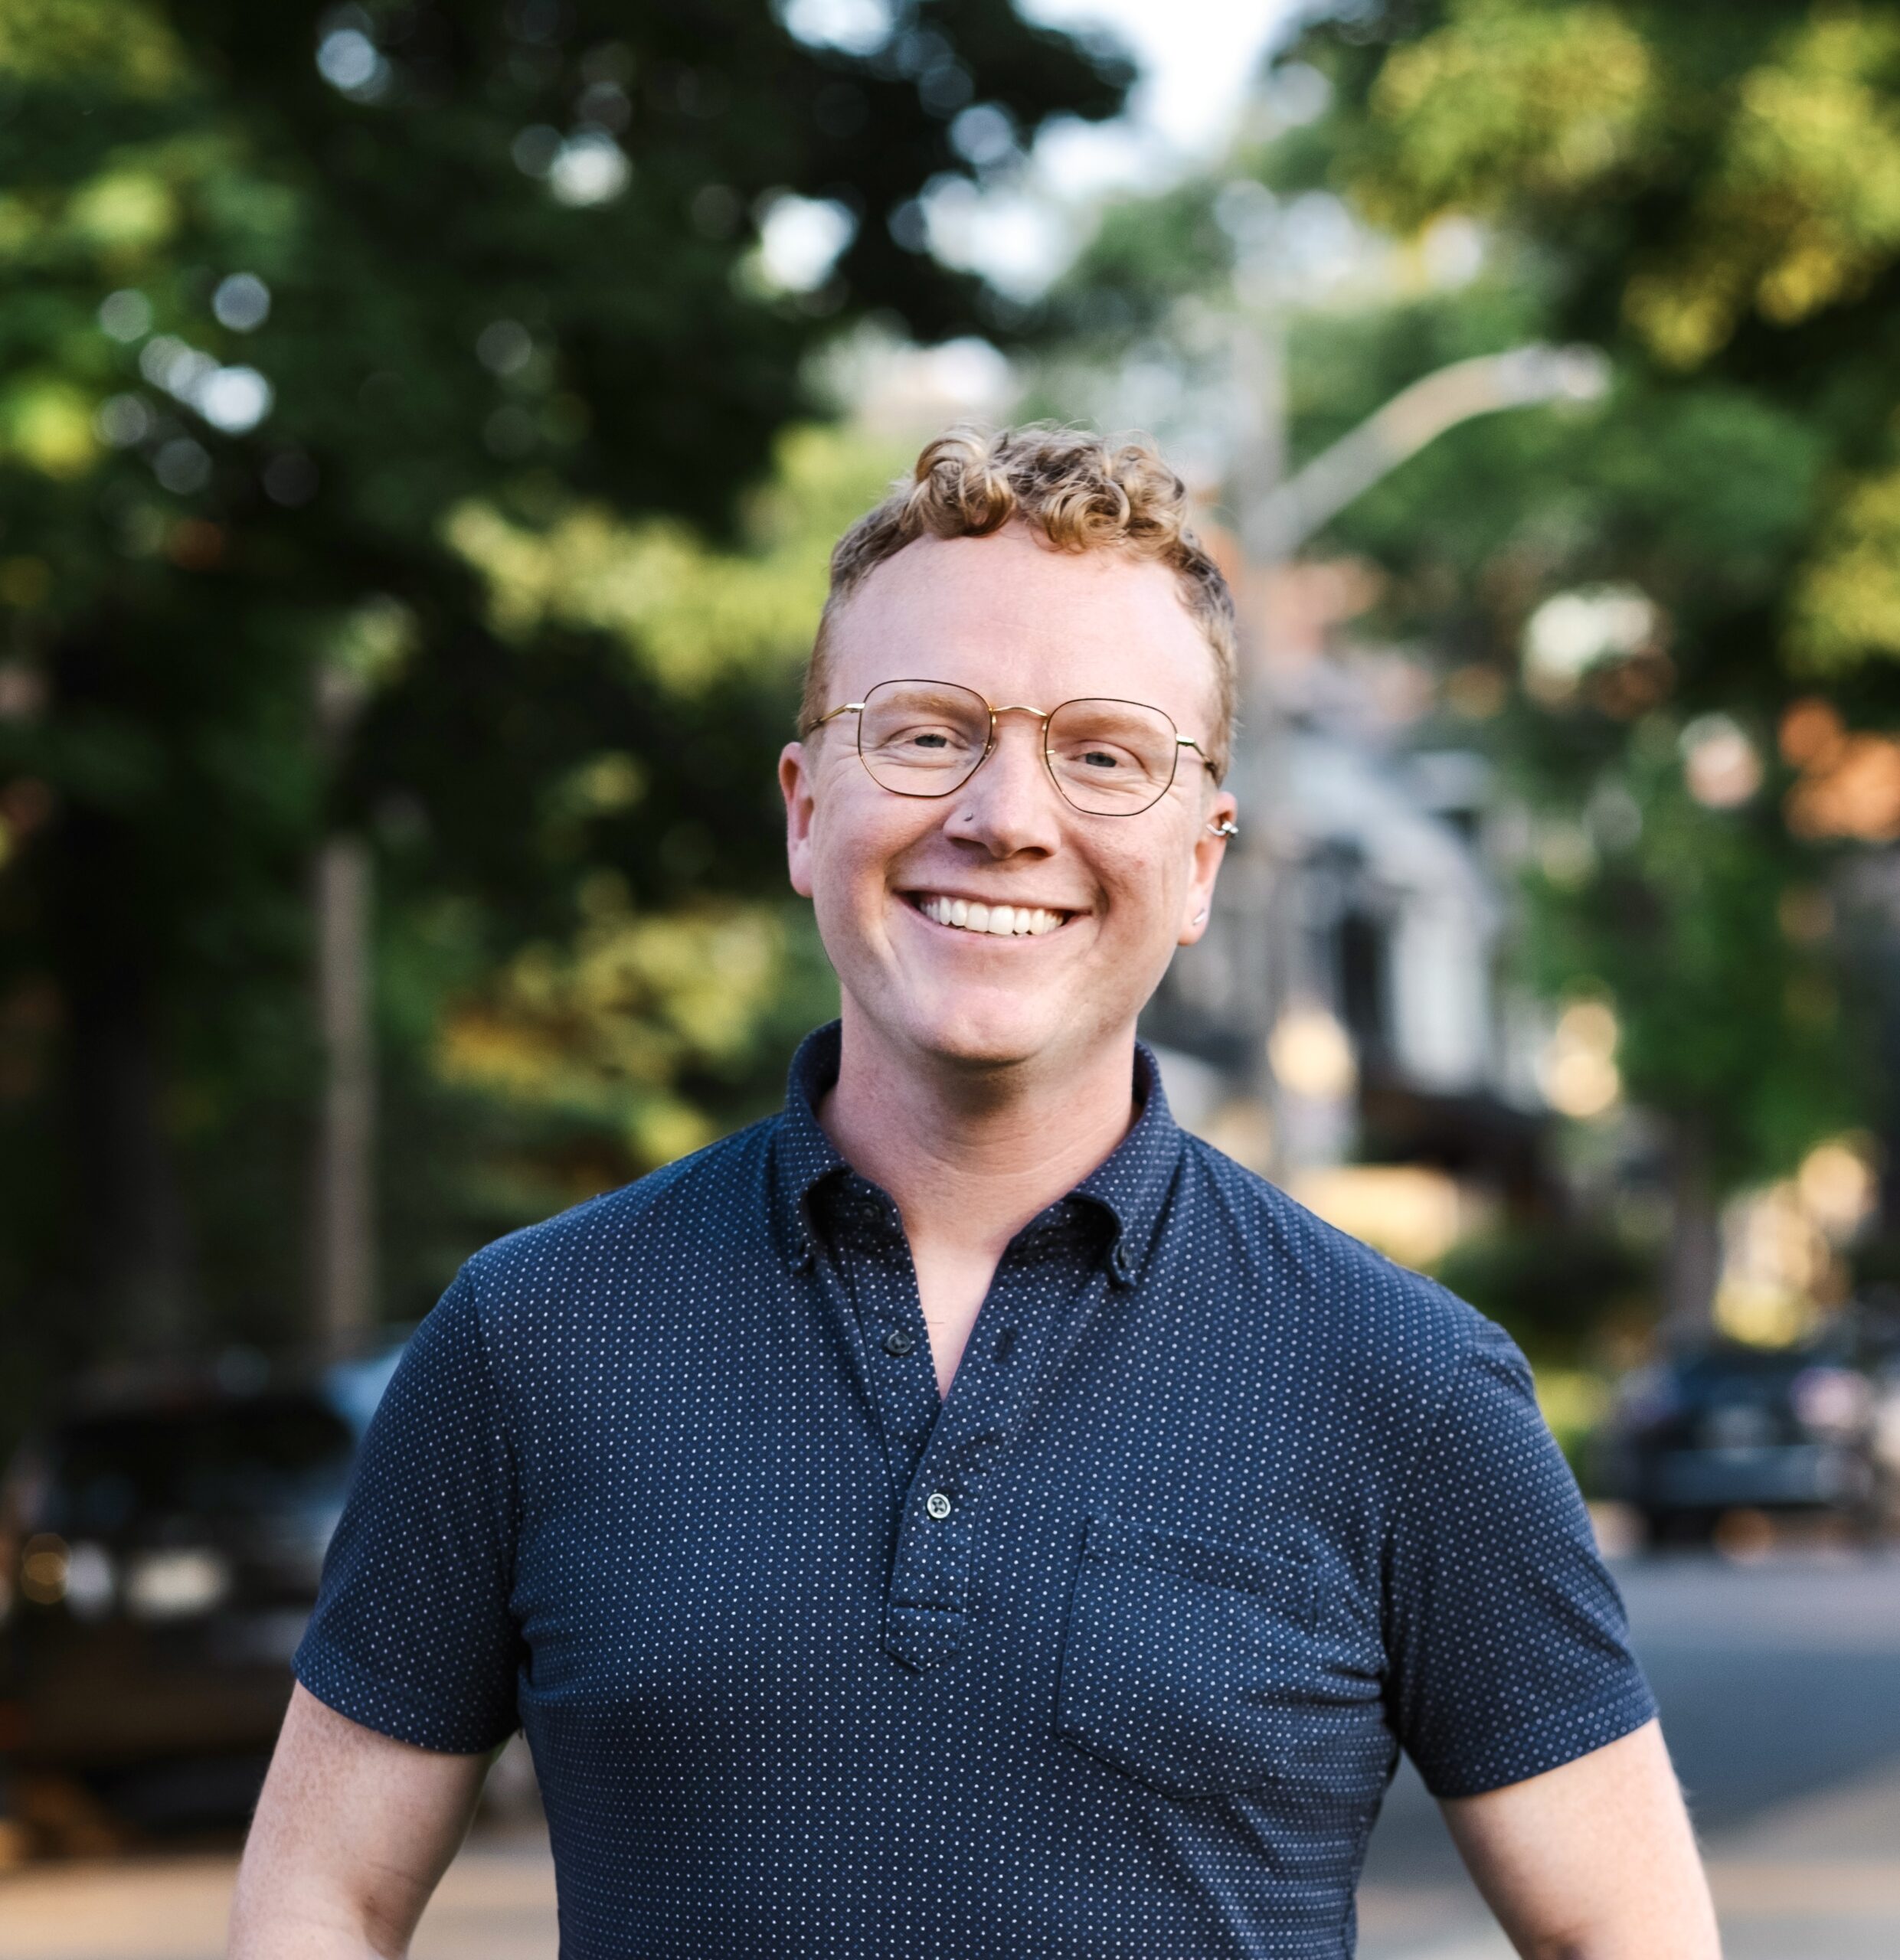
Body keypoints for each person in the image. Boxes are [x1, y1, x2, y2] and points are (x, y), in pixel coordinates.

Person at [230, 426, 1719, 1959]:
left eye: (1101, 751)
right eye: (929, 730)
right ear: (806, 809)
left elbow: (1629, 1929)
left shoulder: (1406, 1383)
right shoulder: (531, 1336)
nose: (1006, 814)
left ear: (1201, 860)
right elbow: (317, 1899)